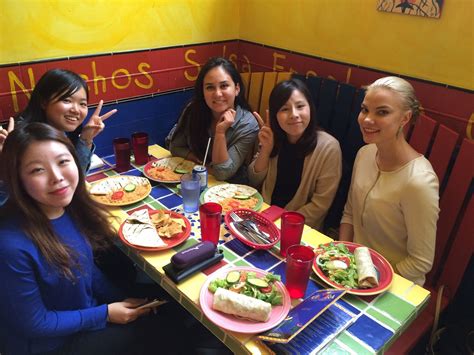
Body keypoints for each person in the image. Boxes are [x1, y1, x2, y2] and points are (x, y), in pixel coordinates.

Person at [0, 123, 185, 355]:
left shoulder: (66, 209)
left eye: (63, 161)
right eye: (37, 170)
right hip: (50, 344)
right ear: (17, 179)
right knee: (162, 333)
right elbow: (34, 323)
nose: (57, 177)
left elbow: (86, 270)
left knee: (167, 307)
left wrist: (124, 299)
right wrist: (106, 313)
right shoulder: (9, 244)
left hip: (82, 316)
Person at [339, 76, 440, 286]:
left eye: (382, 112)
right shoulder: (365, 154)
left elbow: (420, 262)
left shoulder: (419, 181)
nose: (367, 119)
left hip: (397, 283)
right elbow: (349, 213)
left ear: (405, 118)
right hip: (352, 272)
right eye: (365, 109)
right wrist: (342, 260)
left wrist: (371, 279)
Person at [248, 79, 342, 230]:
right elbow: (253, 180)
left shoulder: (329, 147)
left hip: (299, 228)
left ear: (310, 108)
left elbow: (320, 205)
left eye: (300, 106)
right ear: (275, 115)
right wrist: (265, 149)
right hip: (262, 218)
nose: (294, 114)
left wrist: (281, 224)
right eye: (284, 109)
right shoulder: (273, 136)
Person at [0, 68, 116, 173]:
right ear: (44, 102)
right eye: (66, 100)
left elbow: (74, 179)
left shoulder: (63, 132)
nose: (76, 110)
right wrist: (5, 163)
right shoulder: (21, 139)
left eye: (82, 104)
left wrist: (86, 139)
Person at [168, 57, 258, 183]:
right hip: (196, 177)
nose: (217, 94)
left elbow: (222, 173)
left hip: (231, 188)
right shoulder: (193, 110)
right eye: (210, 87)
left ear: (236, 89)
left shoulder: (248, 124)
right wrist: (198, 162)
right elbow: (175, 146)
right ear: (203, 91)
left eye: (224, 86)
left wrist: (220, 132)